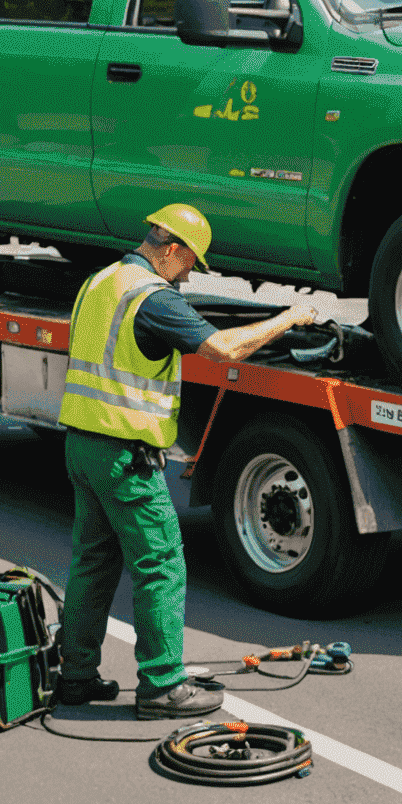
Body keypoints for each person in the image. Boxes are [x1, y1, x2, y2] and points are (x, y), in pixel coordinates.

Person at [56, 204, 318, 719]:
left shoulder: (102, 280)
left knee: (93, 560)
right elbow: (222, 348)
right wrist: (287, 319)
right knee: (162, 564)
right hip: (124, 455)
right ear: (171, 249)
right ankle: (162, 686)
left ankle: (76, 676)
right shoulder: (150, 297)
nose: (190, 273)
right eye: (191, 262)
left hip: (82, 444)